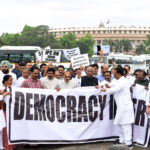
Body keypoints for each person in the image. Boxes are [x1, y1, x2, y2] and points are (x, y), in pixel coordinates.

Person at [101, 67, 134, 149]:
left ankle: (128, 142)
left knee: (126, 124)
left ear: (118, 74)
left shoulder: (123, 81)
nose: (113, 74)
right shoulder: (118, 81)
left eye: (114, 73)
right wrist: (102, 85)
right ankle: (122, 140)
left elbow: (116, 89)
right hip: (120, 106)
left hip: (125, 106)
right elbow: (112, 84)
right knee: (119, 123)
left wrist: (106, 90)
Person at [1, 75, 16, 150]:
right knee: (5, 128)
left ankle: (11, 146)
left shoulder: (12, 88)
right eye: (10, 80)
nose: (11, 81)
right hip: (4, 111)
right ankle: (5, 146)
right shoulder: (1, 89)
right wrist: (5, 93)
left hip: (11, 111)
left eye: (12, 80)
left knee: (11, 127)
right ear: (5, 81)